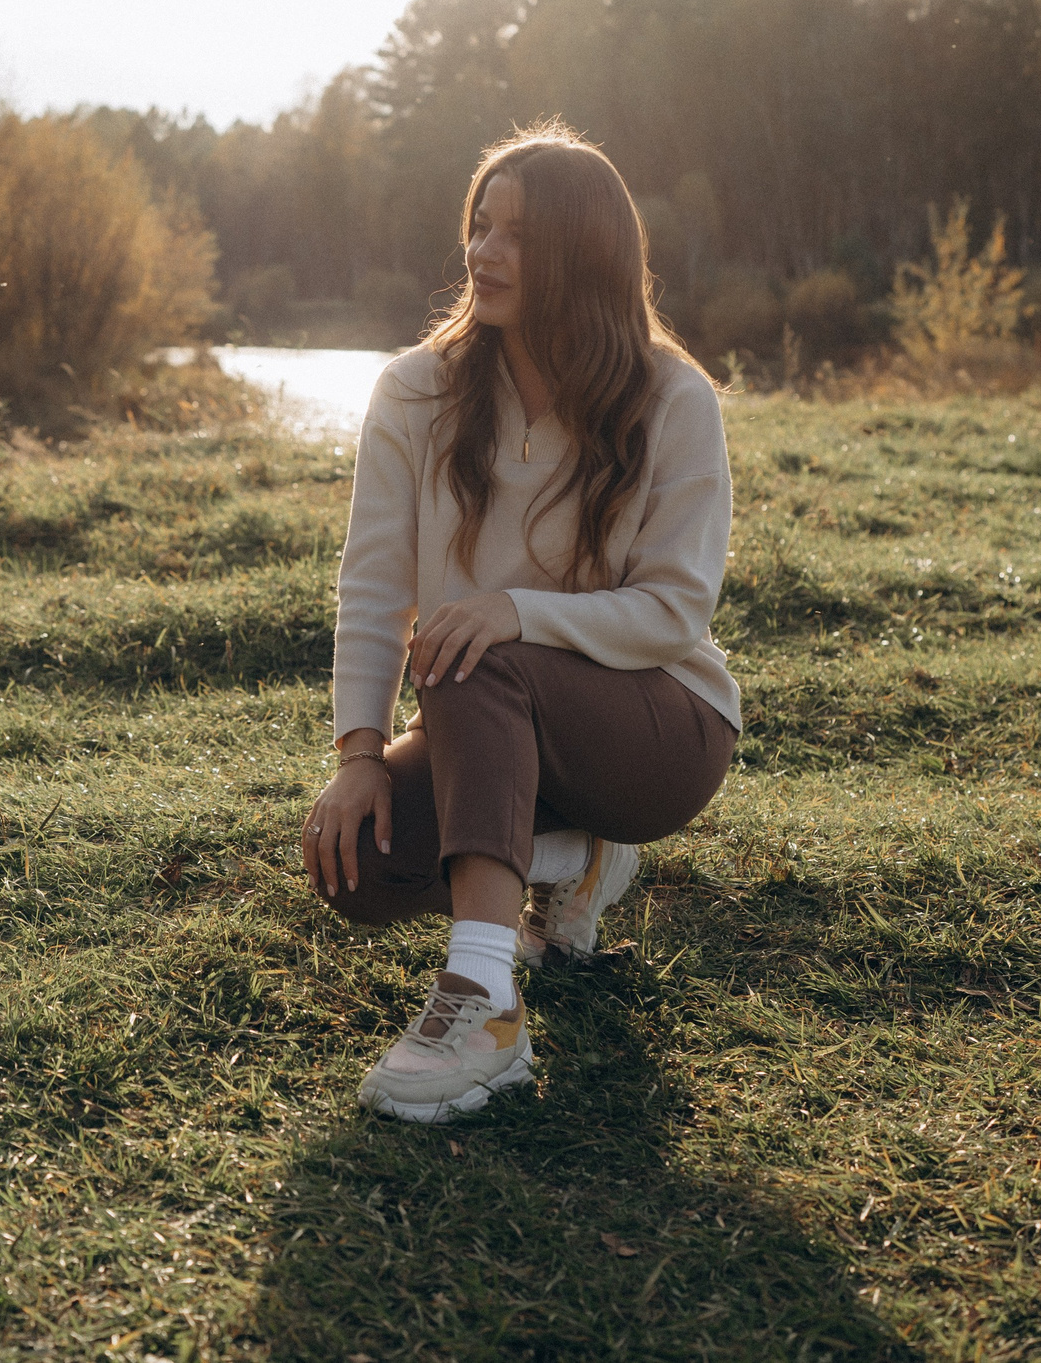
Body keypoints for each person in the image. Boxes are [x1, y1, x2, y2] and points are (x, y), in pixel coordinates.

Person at [301, 123, 741, 1124]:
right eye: (479, 225)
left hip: (657, 729)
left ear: (585, 259)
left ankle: (484, 1006)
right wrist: (361, 754)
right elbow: (372, 586)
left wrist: (513, 612)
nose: (481, 253)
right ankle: (568, 861)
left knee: (473, 651)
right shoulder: (415, 391)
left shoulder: (673, 399)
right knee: (356, 864)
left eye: (517, 236)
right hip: (487, 715)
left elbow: (677, 610)